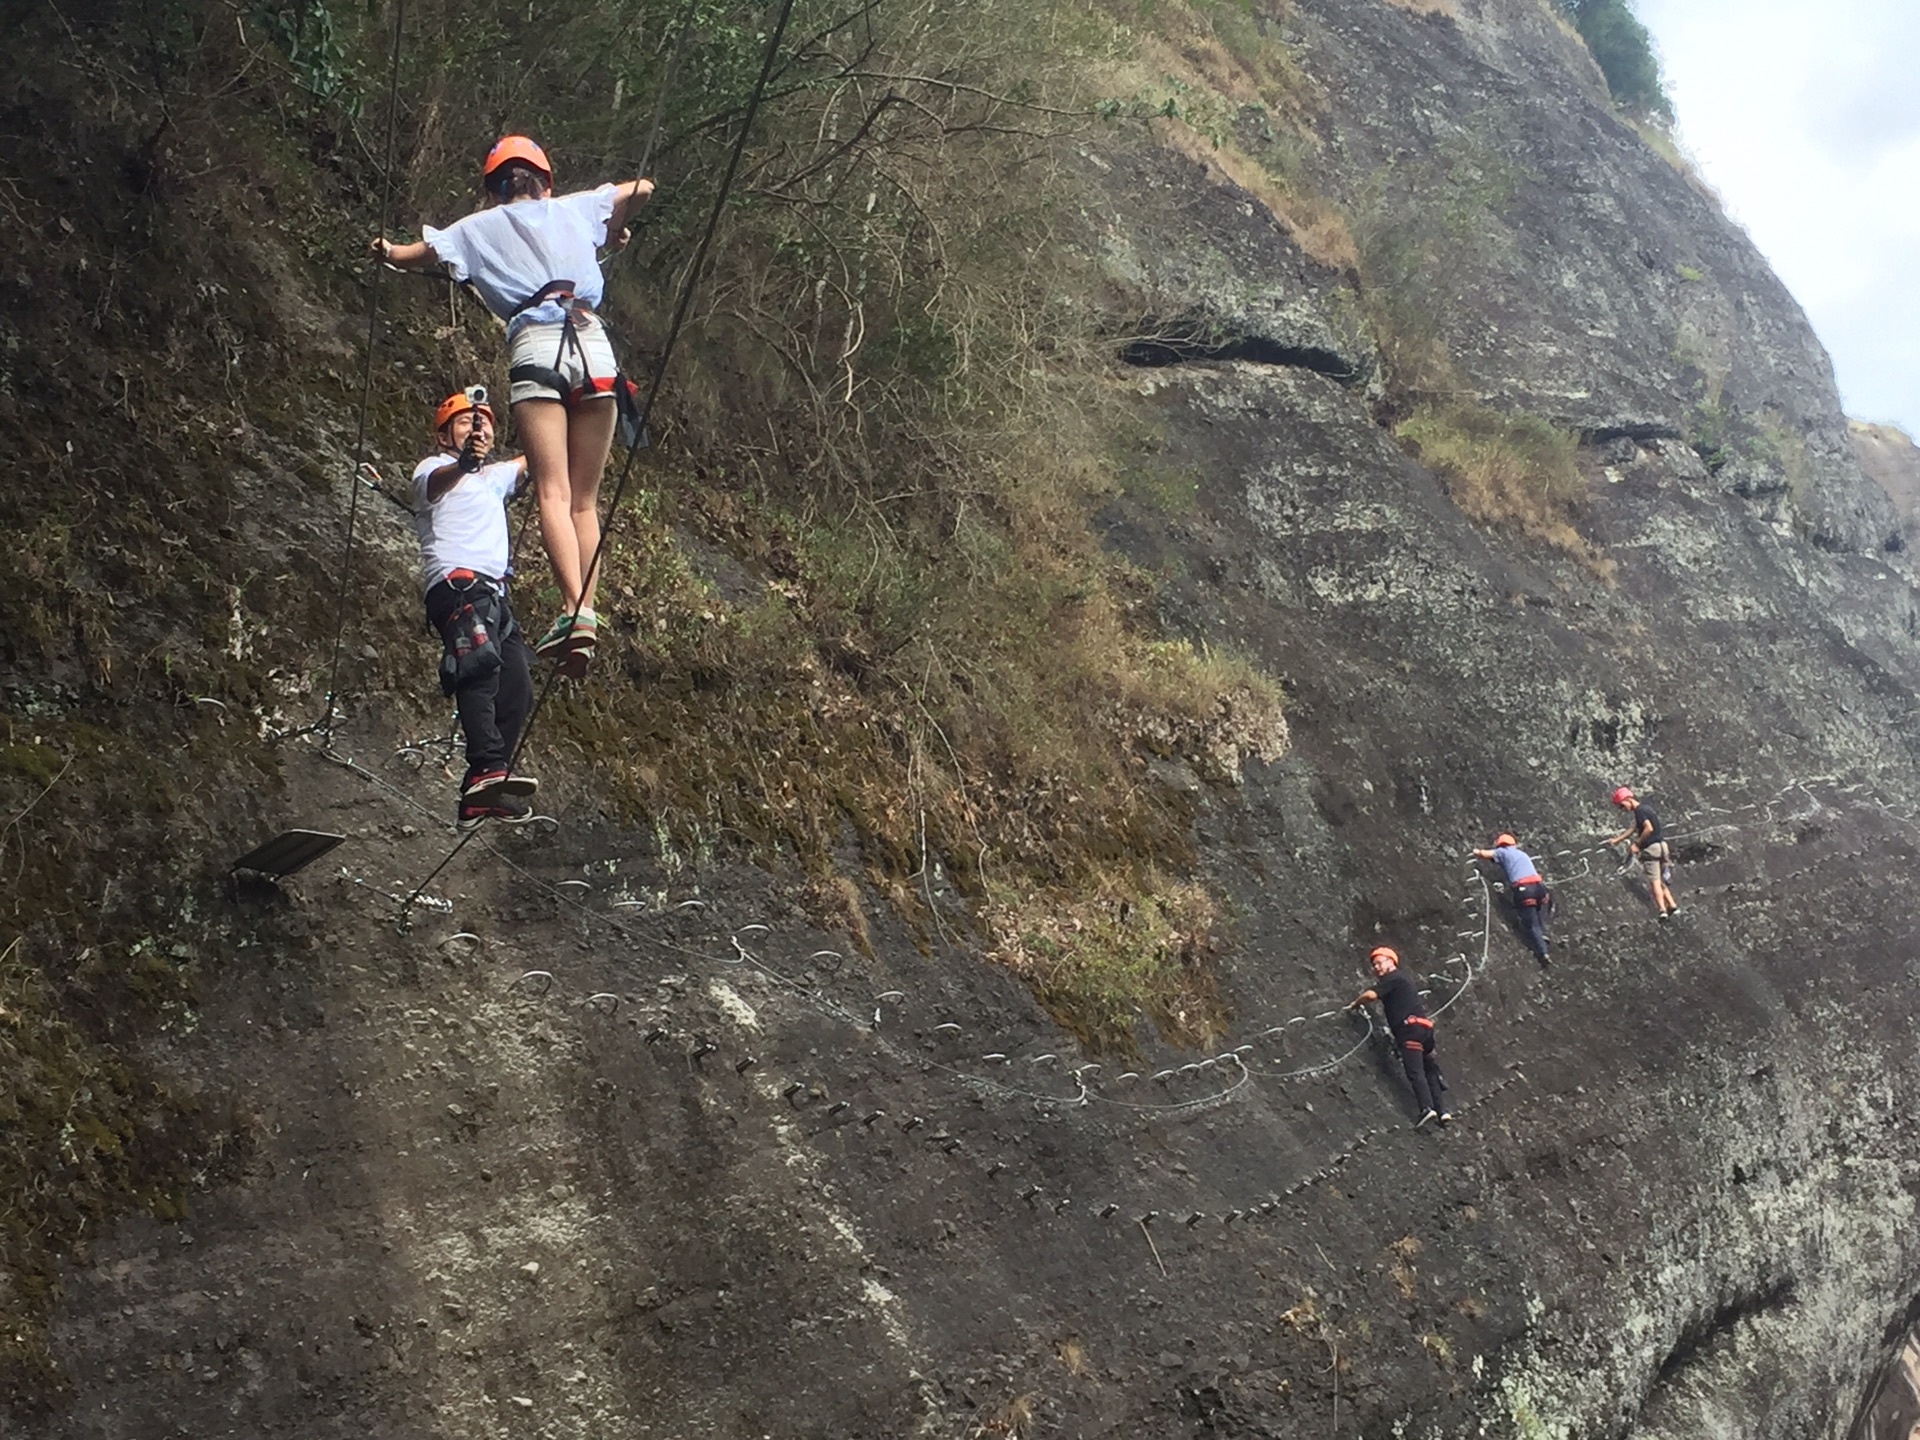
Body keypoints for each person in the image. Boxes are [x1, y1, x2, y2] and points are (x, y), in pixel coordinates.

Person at [374, 136, 656, 676]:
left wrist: (385, 250)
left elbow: (411, 256)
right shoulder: (575, 209)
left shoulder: (476, 229)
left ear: (496, 190)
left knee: (551, 489)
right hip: (594, 345)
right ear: (544, 181)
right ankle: (587, 611)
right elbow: (641, 187)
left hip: (536, 347)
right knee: (583, 500)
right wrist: (611, 228)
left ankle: (572, 610)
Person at [413, 387, 540, 829]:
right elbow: (435, 486)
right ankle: (487, 765)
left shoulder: (495, 476)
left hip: (495, 594)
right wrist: (464, 462)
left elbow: (538, 457)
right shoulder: (433, 469)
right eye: (466, 422)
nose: (476, 428)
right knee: (479, 668)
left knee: (518, 685)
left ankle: (481, 788)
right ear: (446, 435)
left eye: (482, 422)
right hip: (458, 585)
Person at [1348, 946, 1452, 1127]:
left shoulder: (1393, 978)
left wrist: (1355, 1004)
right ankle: (1442, 1111)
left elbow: (1371, 995)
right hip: (1425, 1030)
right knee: (1429, 1069)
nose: (1377, 968)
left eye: (1380, 963)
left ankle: (1427, 1108)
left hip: (1409, 1030)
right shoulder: (1404, 978)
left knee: (1415, 1070)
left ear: (1391, 962)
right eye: (1374, 965)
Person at [1469, 832, 1552, 963]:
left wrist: (1475, 851)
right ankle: (1542, 935)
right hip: (1539, 887)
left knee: (1529, 921)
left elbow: (1485, 854)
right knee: (1538, 912)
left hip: (1525, 889)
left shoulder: (1503, 852)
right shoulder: (1522, 854)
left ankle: (1543, 952)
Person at [1607, 786, 1679, 919]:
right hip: (1663, 846)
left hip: (1651, 849)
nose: (1623, 809)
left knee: (1654, 882)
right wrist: (1617, 840)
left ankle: (1662, 910)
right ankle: (1672, 905)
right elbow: (1634, 828)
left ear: (1628, 799)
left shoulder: (1640, 811)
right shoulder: (1646, 809)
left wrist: (1637, 844)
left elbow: (1648, 828)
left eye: (1622, 806)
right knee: (1660, 878)